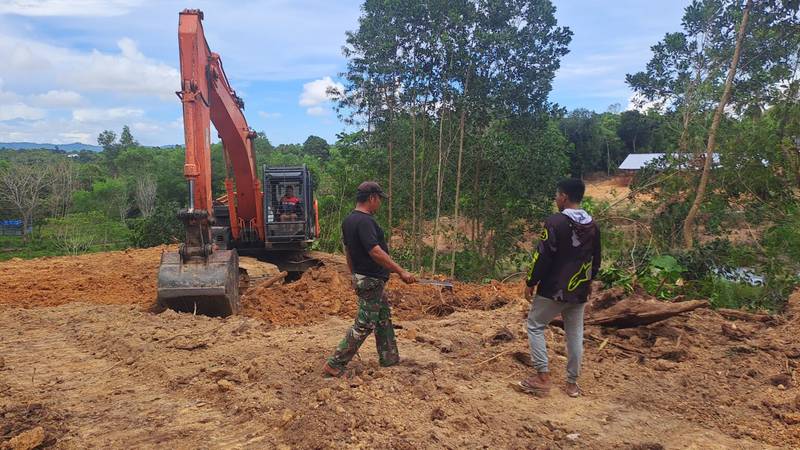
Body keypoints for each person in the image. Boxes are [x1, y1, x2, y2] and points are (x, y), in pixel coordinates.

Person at [323, 181, 416, 377]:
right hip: (371, 279)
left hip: (364, 277)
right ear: (372, 198)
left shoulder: (348, 220)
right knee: (364, 324)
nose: (380, 204)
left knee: (383, 318)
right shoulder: (366, 222)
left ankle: (389, 358)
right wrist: (401, 271)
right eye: (379, 199)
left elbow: (348, 252)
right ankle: (335, 363)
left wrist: (353, 274)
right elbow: (375, 251)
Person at [518, 178, 601, 398]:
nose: (556, 199)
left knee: (535, 325)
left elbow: (543, 256)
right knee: (574, 333)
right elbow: (597, 259)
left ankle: (542, 377)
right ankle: (572, 384)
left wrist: (531, 281)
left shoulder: (555, 222)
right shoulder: (592, 225)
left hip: (554, 288)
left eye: (557, 195)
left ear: (564, 197)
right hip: (579, 290)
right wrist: (589, 282)